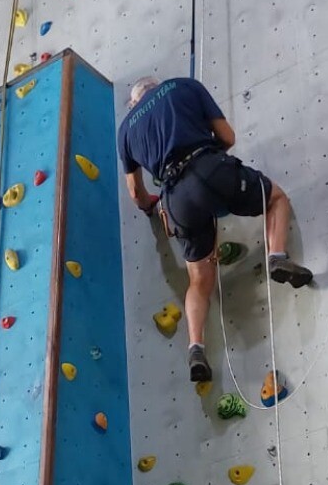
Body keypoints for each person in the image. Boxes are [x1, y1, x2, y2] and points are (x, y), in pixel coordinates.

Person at [117, 75, 313, 383]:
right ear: (155, 86)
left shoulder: (126, 128)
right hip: (209, 167)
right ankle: (276, 255)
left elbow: (135, 194)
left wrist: (150, 207)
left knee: (199, 281)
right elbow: (228, 136)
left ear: (133, 103)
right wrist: (214, 159)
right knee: (275, 199)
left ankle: (196, 347)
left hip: (175, 198)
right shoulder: (183, 85)